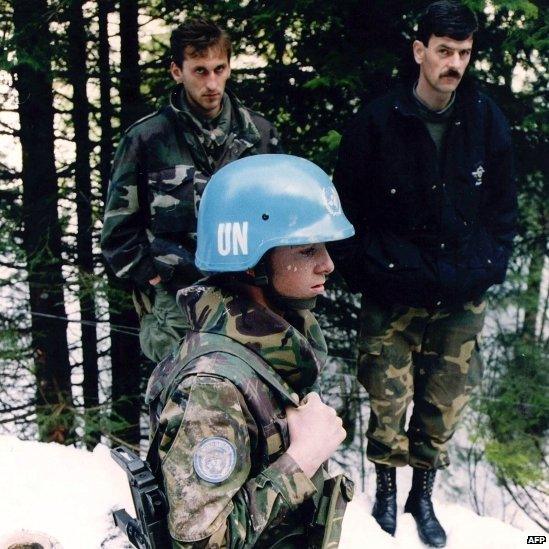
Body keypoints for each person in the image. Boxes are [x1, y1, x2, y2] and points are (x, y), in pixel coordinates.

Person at [332, 2, 517, 547]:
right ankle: (387, 493)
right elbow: (345, 213)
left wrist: (485, 269)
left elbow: (502, 210)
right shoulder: (378, 122)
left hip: (460, 296)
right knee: (387, 403)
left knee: (444, 404)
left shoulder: (485, 121)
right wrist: (370, 273)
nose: (453, 63)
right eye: (443, 51)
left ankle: (423, 495)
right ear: (420, 51)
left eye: (463, 53)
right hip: (392, 295)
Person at [101, 18, 282, 362]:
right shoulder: (147, 140)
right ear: (176, 71)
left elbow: (279, 223)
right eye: (200, 71)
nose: (212, 83)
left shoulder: (259, 134)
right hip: (179, 307)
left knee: (254, 404)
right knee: (186, 404)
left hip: (250, 298)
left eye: (219, 69)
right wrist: (155, 281)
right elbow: (117, 233)